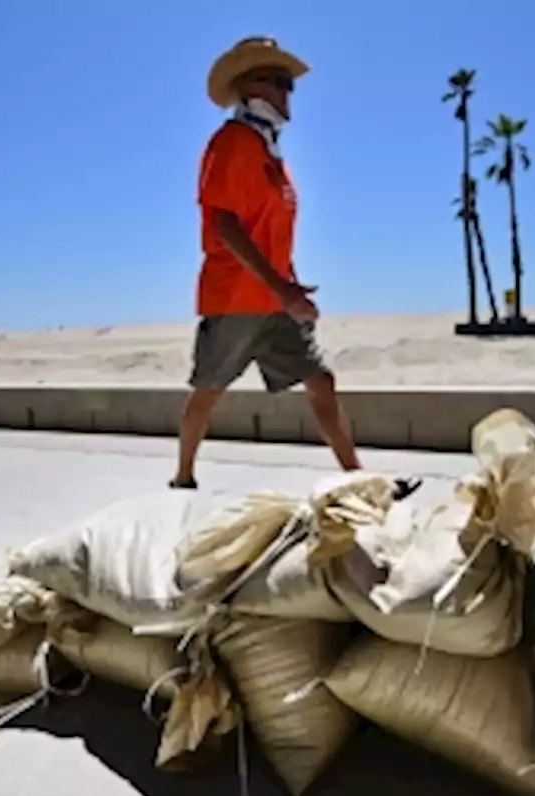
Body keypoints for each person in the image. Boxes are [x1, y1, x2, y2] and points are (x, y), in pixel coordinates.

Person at [172, 36, 419, 499]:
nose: (288, 93)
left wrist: (289, 283)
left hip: (274, 298)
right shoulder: (232, 143)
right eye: (278, 82)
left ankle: (358, 479)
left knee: (320, 379)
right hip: (235, 297)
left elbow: (269, 228)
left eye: (290, 85)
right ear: (248, 87)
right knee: (209, 389)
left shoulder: (270, 153)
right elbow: (224, 223)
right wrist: (281, 288)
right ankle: (183, 475)